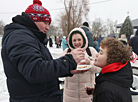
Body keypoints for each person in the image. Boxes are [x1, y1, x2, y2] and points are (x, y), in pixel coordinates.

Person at [1, 0, 90, 102]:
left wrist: (68, 69)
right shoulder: (20, 37)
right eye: (45, 22)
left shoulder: (30, 37)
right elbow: (35, 71)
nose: (48, 27)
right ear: (34, 19)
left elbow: (42, 68)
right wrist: (69, 61)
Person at [61, 28, 101, 102]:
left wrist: (89, 63)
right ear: (70, 41)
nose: (77, 42)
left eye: (79, 39)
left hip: (87, 92)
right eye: (74, 40)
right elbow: (60, 69)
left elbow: (99, 68)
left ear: (84, 39)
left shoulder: (91, 51)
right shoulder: (67, 52)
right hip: (70, 94)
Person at [92, 37, 133, 102]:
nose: (97, 54)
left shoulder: (106, 90)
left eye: (101, 53)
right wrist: (97, 92)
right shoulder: (119, 78)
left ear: (111, 59)